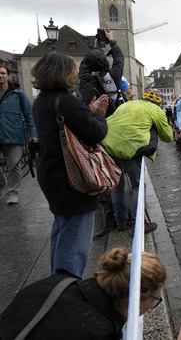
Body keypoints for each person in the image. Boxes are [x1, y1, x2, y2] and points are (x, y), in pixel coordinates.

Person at [0, 247, 181, 340]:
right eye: (155, 300)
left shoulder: (60, 282)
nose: (151, 307)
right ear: (137, 296)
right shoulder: (98, 331)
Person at [31, 52, 109, 278]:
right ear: (64, 74)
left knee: (62, 231)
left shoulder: (42, 101)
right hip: (73, 177)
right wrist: (99, 115)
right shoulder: (65, 101)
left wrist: (88, 113)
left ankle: (57, 283)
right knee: (75, 240)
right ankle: (67, 288)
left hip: (52, 173)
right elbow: (95, 133)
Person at [102, 89, 174, 234]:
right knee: (138, 186)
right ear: (158, 102)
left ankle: (120, 221)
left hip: (108, 144)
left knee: (117, 185)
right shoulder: (156, 110)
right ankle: (138, 224)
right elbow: (168, 137)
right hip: (129, 149)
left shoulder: (127, 104)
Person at [0, 66, 38, 205]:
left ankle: (13, 193)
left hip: (13, 134)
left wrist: (33, 133)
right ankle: (2, 182)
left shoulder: (18, 93)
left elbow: (29, 115)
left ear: (8, 76)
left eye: (3, 73)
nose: (1, 76)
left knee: (14, 165)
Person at [78, 29, 124, 117]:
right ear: (105, 61)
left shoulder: (84, 76)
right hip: (114, 117)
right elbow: (119, 58)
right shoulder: (113, 75)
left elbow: (84, 63)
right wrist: (112, 41)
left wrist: (96, 48)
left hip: (94, 119)